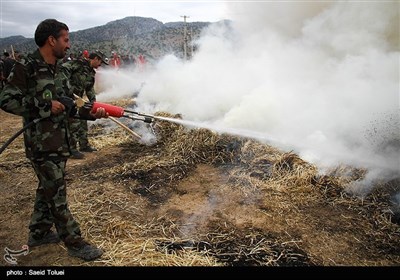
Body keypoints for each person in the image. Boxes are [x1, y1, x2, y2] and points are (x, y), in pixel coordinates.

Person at [0, 19, 108, 261]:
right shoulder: (26, 67)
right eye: (66, 40)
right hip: (41, 145)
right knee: (57, 194)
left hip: (60, 143)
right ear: (52, 40)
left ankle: (38, 233)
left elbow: (69, 105)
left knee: (47, 188)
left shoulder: (59, 69)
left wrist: (89, 114)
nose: (68, 46)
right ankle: (74, 241)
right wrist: (44, 106)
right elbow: (6, 99)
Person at [57, 50, 109, 159]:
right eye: (100, 62)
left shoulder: (91, 72)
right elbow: (62, 69)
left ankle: (84, 145)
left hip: (79, 99)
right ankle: (72, 149)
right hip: (69, 99)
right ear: (95, 59)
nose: (100, 65)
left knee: (83, 120)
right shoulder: (77, 64)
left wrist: (93, 102)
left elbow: (89, 88)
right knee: (73, 123)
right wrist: (67, 89)